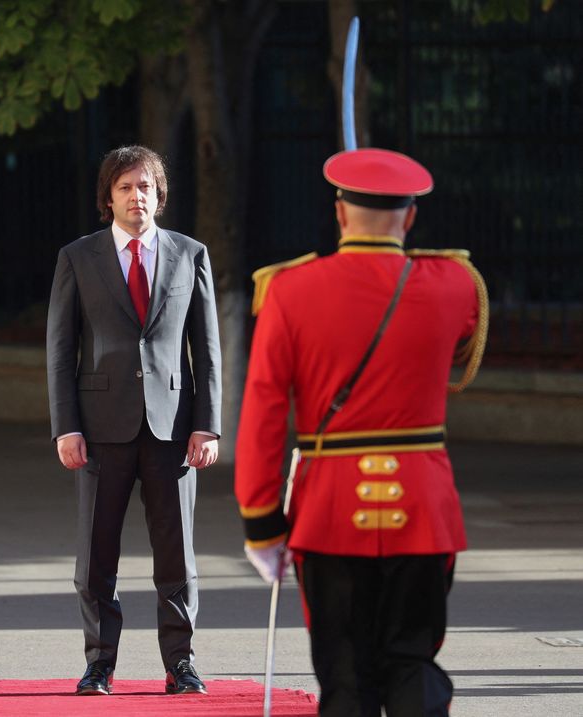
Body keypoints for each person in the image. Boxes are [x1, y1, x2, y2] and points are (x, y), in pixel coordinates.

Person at [235, 148, 488, 716]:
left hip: (329, 511)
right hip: (424, 511)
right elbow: (469, 327)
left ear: (339, 213)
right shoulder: (454, 284)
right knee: (413, 666)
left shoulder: (289, 290)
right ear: (412, 218)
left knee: (346, 677)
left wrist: (261, 522)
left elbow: (264, 410)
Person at [47, 145, 222, 697]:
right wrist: (65, 426)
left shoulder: (189, 254)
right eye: (124, 187)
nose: (136, 196)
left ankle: (181, 663)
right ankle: (99, 663)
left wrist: (208, 424)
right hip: (99, 428)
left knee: (177, 552)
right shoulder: (78, 257)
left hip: (174, 428)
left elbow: (207, 349)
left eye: (145, 186)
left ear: (159, 195)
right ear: (108, 198)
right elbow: (60, 349)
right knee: (97, 552)